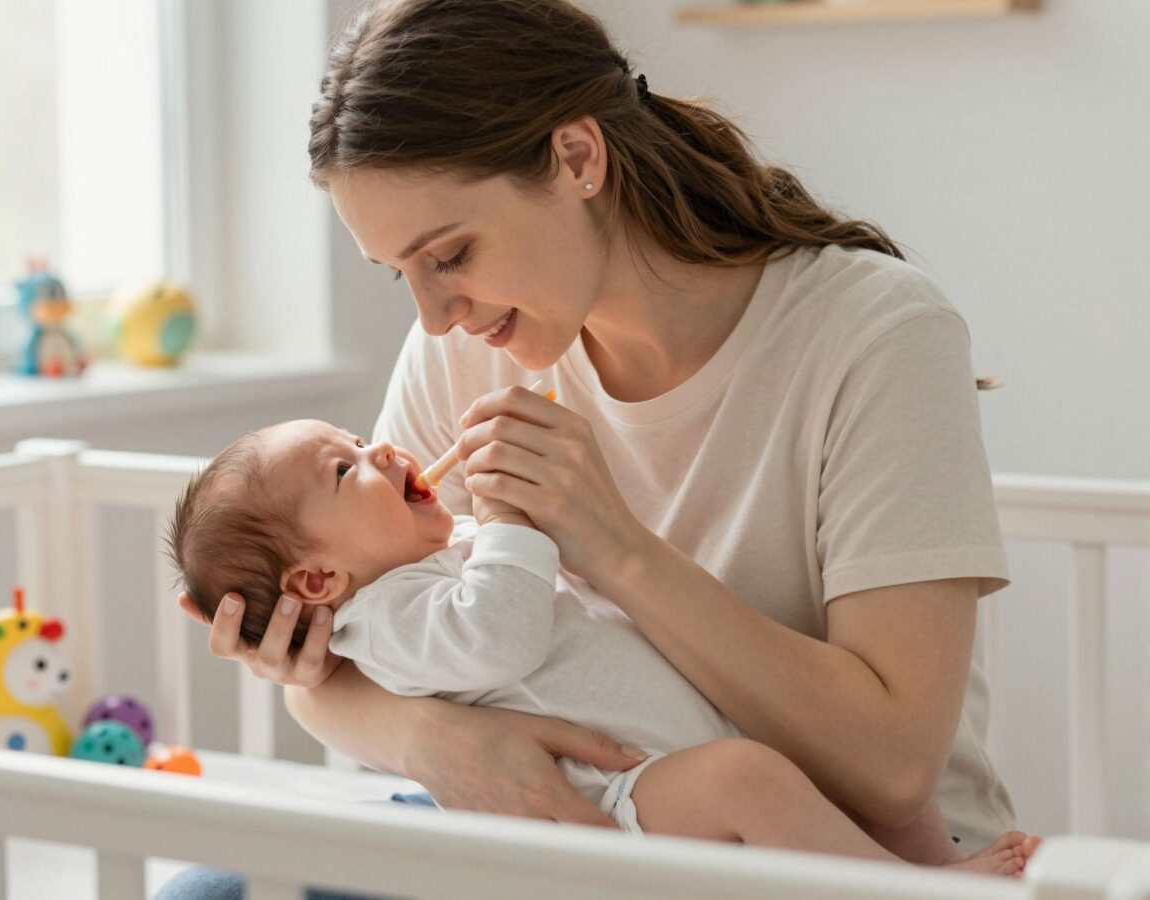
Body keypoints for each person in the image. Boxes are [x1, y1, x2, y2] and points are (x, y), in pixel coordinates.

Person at [155, 0, 1024, 896]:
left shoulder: (874, 332)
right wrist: (452, 746)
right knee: (208, 892)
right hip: (578, 828)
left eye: (449, 255)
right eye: (400, 274)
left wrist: (613, 546)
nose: (433, 314)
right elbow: (337, 670)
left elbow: (890, 770)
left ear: (577, 157)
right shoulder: (464, 349)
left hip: (847, 856)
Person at [167, 418, 1032, 877]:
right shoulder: (385, 618)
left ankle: (925, 869)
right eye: (347, 469)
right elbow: (496, 637)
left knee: (859, 765)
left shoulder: (433, 552)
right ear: (318, 585)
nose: (380, 448)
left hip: (678, 746)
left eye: (356, 438)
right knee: (747, 779)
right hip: (618, 799)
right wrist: (508, 519)